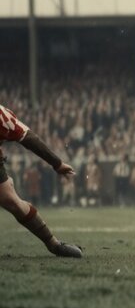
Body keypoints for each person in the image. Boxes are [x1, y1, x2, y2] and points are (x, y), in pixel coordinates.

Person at [0, 105, 82, 258]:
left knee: (12, 201)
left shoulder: (2, 117)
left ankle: (52, 243)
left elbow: (28, 138)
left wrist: (57, 163)